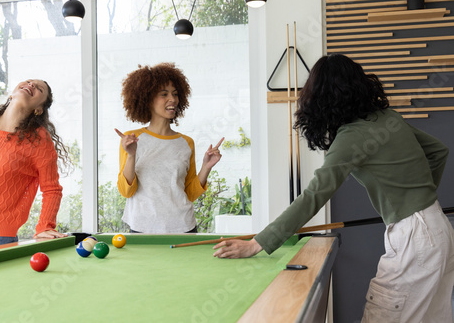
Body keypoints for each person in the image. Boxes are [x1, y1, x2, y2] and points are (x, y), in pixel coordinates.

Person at [213, 54, 454, 322]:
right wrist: (417, 198)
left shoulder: (352, 135)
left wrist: (258, 243)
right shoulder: (388, 117)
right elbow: (438, 152)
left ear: (321, 98)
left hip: (414, 239)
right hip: (437, 229)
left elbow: (315, 194)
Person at [0, 79, 69, 253]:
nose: (31, 85)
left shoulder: (39, 141)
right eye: (29, 82)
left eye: (39, 89)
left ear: (39, 109)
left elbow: (52, 189)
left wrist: (45, 226)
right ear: (11, 93)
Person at [116, 62, 223, 233]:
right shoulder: (132, 139)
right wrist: (131, 155)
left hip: (183, 227)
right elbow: (126, 191)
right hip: (142, 228)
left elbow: (189, 193)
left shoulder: (186, 143)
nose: (172, 99)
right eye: (164, 94)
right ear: (147, 98)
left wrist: (206, 167)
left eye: (175, 94)